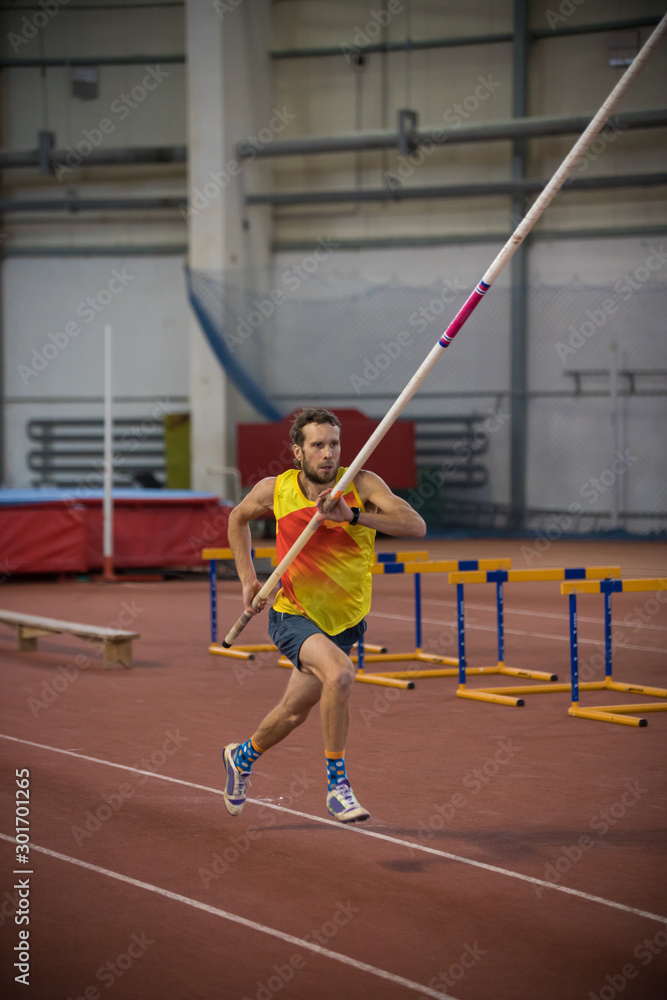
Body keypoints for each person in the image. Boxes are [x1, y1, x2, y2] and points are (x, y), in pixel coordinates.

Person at [223, 407, 426, 823]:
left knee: (293, 712)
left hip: (344, 622)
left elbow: (415, 525)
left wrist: (351, 516)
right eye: (317, 445)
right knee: (340, 675)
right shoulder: (275, 490)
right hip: (293, 615)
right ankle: (338, 786)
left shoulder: (362, 485)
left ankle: (240, 758)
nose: (328, 453)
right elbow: (237, 518)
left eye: (333, 444)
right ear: (298, 452)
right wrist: (248, 579)